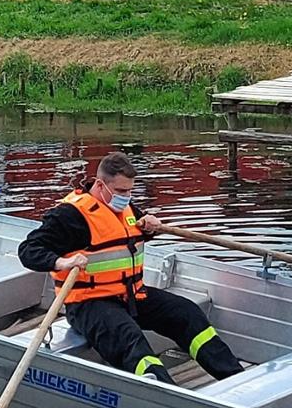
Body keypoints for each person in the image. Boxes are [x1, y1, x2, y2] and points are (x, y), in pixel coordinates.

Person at [16, 152, 246, 385]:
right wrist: (63, 262)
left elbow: (124, 241)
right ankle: (166, 394)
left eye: (129, 191)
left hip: (132, 295)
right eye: (121, 192)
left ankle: (234, 378)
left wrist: (149, 228)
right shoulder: (69, 215)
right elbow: (28, 250)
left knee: (186, 313)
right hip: (90, 304)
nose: (126, 197)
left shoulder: (123, 207)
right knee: (132, 341)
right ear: (100, 184)